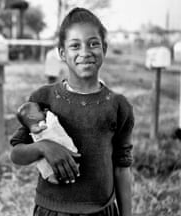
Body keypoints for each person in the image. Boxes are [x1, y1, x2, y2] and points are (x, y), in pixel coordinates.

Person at [10, 7, 134, 216]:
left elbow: (122, 168)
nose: (85, 52)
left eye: (93, 43)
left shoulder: (118, 105)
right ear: (62, 53)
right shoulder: (43, 99)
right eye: (75, 45)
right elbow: (16, 154)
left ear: (104, 48)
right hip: (52, 210)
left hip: (102, 211)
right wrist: (45, 147)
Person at [16, 102, 77, 184]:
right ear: (32, 116)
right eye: (40, 111)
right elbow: (34, 131)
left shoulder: (41, 119)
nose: (43, 112)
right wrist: (41, 131)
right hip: (46, 151)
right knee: (46, 165)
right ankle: (51, 177)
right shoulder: (33, 126)